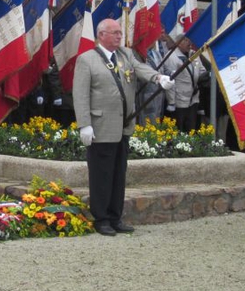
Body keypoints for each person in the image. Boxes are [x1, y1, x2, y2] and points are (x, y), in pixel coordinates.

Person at [72, 19, 174, 236]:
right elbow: (80, 95)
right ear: (101, 35)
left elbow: (141, 68)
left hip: (123, 126)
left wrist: (158, 77)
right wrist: (84, 124)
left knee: (118, 175)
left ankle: (115, 216)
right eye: (115, 32)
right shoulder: (87, 59)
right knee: (101, 175)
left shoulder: (125, 55)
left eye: (120, 32)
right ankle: (101, 219)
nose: (119, 36)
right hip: (101, 127)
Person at [163, 37, 208, 133]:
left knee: (191, 128)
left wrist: (204, 76)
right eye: (186, 40)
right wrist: (171, 102)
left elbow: (201, 69)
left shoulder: (194, 54)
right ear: (179, 42)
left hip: (193, 98)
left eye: (189, 40)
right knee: (179, 129)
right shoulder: (171, 57)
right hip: (179, 100)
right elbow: (170, 80)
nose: (189, 43)